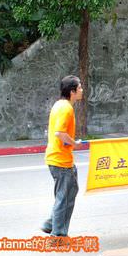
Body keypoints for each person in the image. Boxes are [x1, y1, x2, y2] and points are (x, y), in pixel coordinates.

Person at [41, 75, 83, 236]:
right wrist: (75, 143)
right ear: (72, 91)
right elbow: (60, 133)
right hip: (60, 160)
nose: (81, 90)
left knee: (68, 192)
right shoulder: (66, 108)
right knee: (64, 198)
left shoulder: (59, 104)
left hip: (57, 158)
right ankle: (58, 235)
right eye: (79, 87)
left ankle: (50, 223)